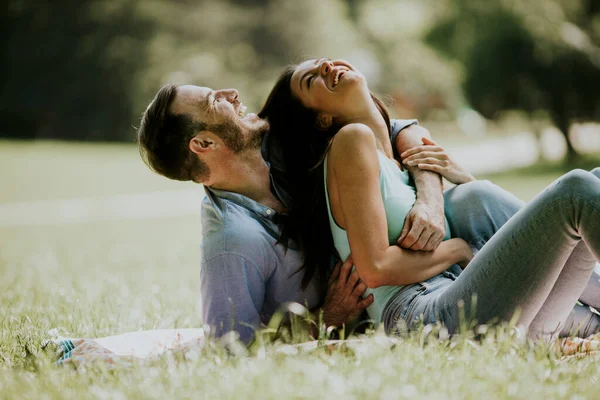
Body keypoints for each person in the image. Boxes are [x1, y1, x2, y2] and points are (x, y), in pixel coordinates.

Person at [137, 82, 544, 344]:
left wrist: (430, 200)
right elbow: (230, 351)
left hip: (429, 266)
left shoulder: (276, 142)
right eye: (214, 101)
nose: (231, 92)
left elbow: (399, 129)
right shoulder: (232, 242)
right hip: (402, 305)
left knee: (476, 198)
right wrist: (326, 318)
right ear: (204, 144)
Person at [259, 58, 600, 340]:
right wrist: (460, 248)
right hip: (419, 316)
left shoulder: (394, 153)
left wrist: (462, 183)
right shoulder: (351, 142)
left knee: (593, 181)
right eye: (312, 79)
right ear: (322, 119)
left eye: (324, 62)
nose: (328, 67)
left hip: (460, 300)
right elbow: (375, 268)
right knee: (576, 191)